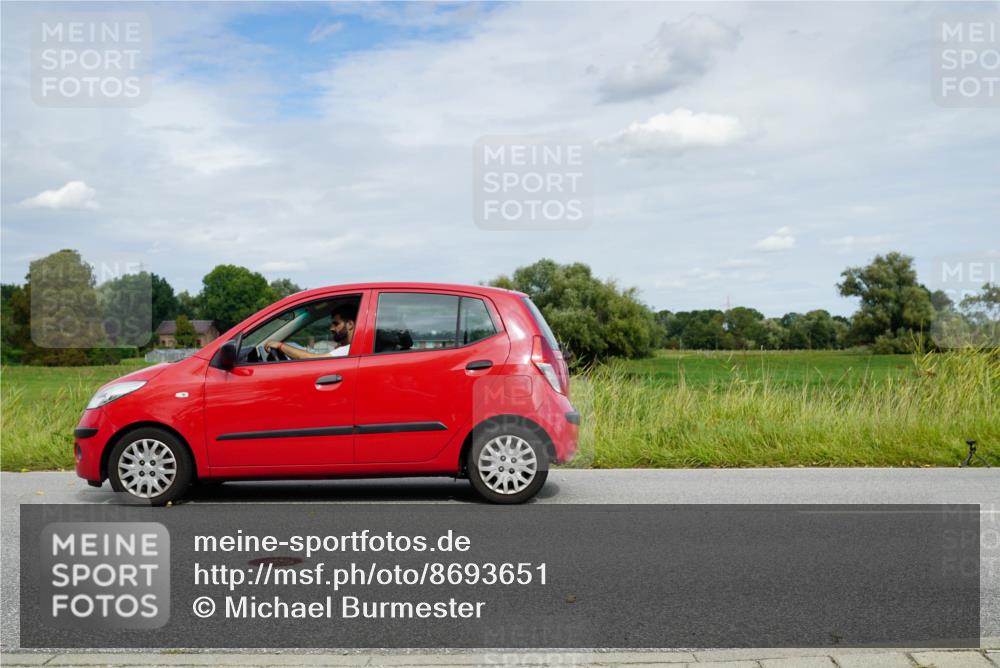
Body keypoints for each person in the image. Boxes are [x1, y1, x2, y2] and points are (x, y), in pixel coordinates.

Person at [264, 302, 356, 360]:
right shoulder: (347, 348)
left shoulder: (349, 349)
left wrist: (280, 346)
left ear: (350, 324)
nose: (331, 328)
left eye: (336, 324)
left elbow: (316, 360)